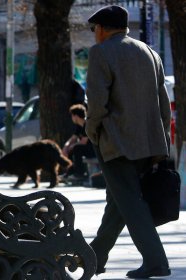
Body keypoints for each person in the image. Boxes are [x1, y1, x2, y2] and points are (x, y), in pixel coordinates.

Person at [85, 5, 171, 279]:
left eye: (93, 29)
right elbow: (163, 104)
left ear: (101, 28)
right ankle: (95, 257)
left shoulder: (101, 52)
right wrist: (162, 141)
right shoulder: (150, 52)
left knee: (130, 203)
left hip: (117, 142)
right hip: (149, 142)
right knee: (119, 202)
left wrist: (92, 129)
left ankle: (156, 261)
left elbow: (97, 103)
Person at [62, 104, 95, 179]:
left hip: (93, 150)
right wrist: (66, 146)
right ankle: (70, 172)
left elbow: (84, 141)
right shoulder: (79, 126)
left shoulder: (87, 124)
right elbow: (73, 138)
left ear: (76, 116)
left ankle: (80, 173)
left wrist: (71, 146)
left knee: (76, 148)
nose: (72, 118)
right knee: (72, 149)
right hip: (86, 149)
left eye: (72, 116)